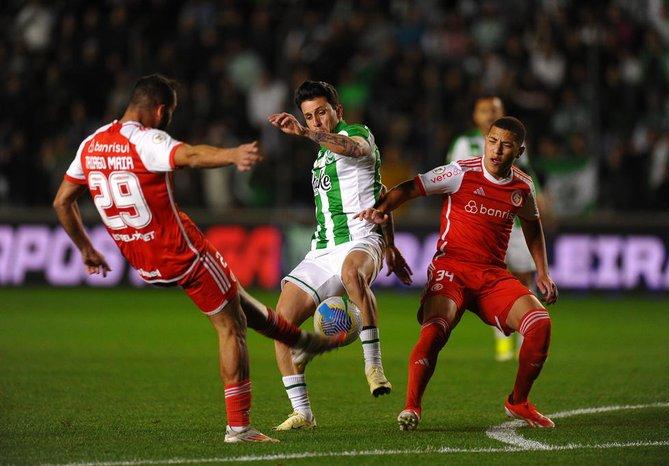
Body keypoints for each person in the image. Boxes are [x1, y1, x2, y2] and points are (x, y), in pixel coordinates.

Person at [53, 74, 344, 444]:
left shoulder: (90, 144)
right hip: (183, 252)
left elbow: (62, 201)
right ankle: (239, 428)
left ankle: (299, 339)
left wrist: (86, 249)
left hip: (143, 260)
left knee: (232, 298)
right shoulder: (146, 140)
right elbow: (188, 155)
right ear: (160, 110)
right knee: (231, 327)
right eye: (169, 113)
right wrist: (233, 155)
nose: (168, 120)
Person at [357, 116, 559, 430]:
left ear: (519, 152)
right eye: (493, 141)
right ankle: (412, 407)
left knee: (540, 323)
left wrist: (542, 272)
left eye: (506, 145)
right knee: (436, 330)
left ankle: (518, 402)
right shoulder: (460, 172)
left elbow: (532, 227)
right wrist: (381, 210)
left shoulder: (522, 186)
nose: (496, 150)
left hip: (492, 275)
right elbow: (411, 187)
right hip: (451, 269)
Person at [267, 80, 412, 430]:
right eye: (309, 117)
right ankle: (303, 413)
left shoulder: (358, 134)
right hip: (322, 250)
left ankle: (373, 366)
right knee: (280, 325)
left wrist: (386, 245)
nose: (316, 121)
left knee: (351, 274)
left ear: (338, 111)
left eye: (321, 113)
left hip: (361, 239)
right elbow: (382, 191)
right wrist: (393, 245)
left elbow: (352, 148)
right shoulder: (319, 159)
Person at [448, 96, 541, 362]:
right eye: (483, 111)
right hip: (481, 227)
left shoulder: (515, 142)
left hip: (512, 223)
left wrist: (539, 197)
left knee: (523, 278)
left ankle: (527, 339)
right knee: (494, 284)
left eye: (494, 111)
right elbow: (455, 179)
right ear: (475, 116)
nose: (489, 115)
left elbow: (525, 174)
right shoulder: (465, 144)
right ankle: (503, 342)